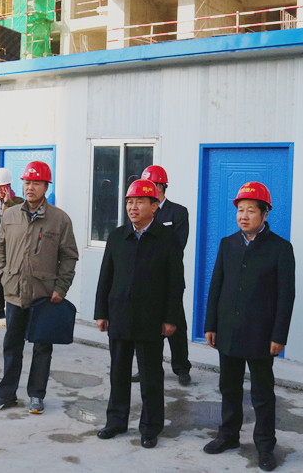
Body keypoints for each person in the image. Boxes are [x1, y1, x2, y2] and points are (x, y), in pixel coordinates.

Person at [203, 182, 296, 472]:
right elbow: (216, 286)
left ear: (265, 214)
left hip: (261, 334)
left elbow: (286, 296)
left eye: (250, 210)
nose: (243, 216)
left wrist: (279, 335)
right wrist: (211, 324)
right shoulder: (228, 244)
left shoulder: (280, 248)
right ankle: (228, 435)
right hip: (228, 330)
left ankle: (265, 446)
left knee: (262, 393)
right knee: (228, 387)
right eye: (240, 210)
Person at [94, 179, 184, 450]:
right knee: (118, 373)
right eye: (129, 202)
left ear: (154, 206)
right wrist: (101, 312)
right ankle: (116, 421)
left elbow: (175, 283)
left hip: (151, 318)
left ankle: (150, 427)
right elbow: (105, 277)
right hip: (120, 315)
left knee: (151, 376)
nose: (132, 207)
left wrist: (171, 318)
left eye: (139, 202)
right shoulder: (117, 236)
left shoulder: (167, 239)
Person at [0, 161, 79, 415]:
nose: (30, 187)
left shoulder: (59, 219)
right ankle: (6, 394)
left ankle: (36, 395)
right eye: (27, 182)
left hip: (44, 295)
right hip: (14, 292)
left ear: (46, 187)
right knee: (11, 346)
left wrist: (61, 288)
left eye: (36, 183)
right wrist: (3, 276)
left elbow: (69, 256)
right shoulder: (10, 216)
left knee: (42, 348)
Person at [137, 164, 193, 386]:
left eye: (150, 185)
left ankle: (181, 367)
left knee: (175, 324)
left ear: (160, 186)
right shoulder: (142, 211)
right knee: (146, 325)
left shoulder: (178, 212)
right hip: (144, 280)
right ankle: (146, 367)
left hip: (170, 280)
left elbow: (177, 246)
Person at [0, 167, 23, 321]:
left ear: (9, 186)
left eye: (4, 187)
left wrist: (8, 202)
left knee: (11, 277)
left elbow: (19, 217)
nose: (1, 190)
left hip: (12, 246)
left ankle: (11, 308)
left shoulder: (18, 202)